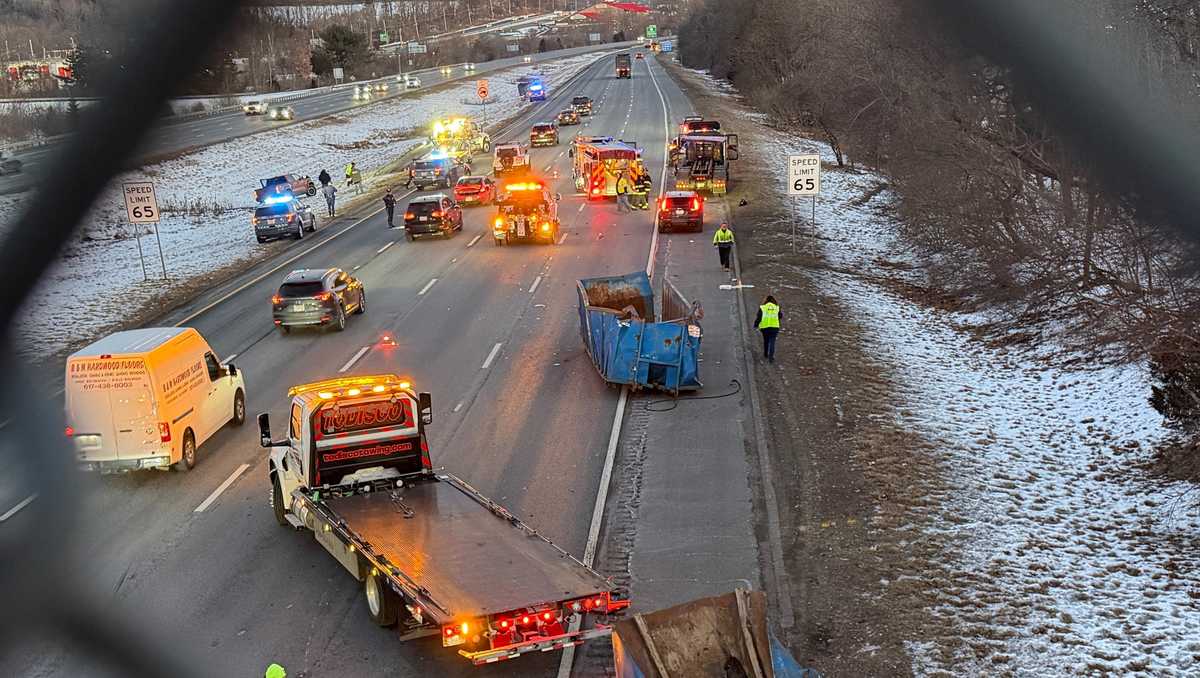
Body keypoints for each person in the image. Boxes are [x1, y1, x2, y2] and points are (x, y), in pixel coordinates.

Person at [754, 295, 782, 362]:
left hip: (765, 327)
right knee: (772, 342)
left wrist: (756, 325)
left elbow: (759, 317)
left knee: (766, 341)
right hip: (775, 327)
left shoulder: (763, 307)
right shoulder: (776, 307)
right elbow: (780, 316)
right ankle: (771, 357)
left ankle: (766, 354)